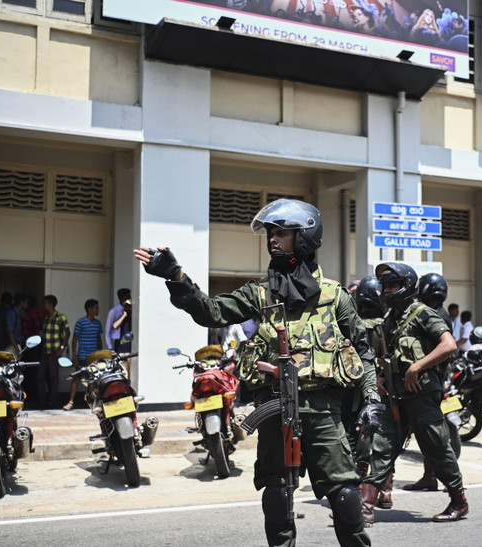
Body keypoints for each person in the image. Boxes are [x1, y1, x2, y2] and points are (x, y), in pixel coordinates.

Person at [134, 198, 381, 547]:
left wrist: (371, 397)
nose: (273, 240)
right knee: (276, 495)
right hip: (274, 408)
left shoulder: (334, 296)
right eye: (270, 234)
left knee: (344, 494)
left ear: (304, 238)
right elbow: (211, 312)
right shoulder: (260, 294)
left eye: (281, 233)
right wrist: (176, 278)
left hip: (323, 410)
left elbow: (363, 350)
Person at [361, 262, 467, 524]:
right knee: (383, 446)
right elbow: (388, 355)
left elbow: (449, 345)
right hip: (395, 395)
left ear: (407, 285)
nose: (388, 290)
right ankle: (365, 507)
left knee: (436, 447)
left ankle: (459, 501)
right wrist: (381, 377)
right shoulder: (390, 319)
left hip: (421, 393)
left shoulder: (423, 313)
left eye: (393, 285)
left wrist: (416, 368)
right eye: (385, 286)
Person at [403, 272, 453, 493]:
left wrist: (417, 367)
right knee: (427, 433)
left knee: (433, 434)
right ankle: (430, 477)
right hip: (433, 379)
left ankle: (451, 484)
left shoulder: (433, 316)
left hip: (428, 380)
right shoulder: (439, 312)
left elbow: (446, 347)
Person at [352, 276, 394, 517]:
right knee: (385, 442)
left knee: (363, 438)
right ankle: (386, 492)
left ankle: (361, 490)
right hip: (386, 390)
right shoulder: (388, 324)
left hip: (360, 391)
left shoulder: (355, 324)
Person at [65, 299, 104, 411]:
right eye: (96, 308)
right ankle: (70, 402)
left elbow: (99, 339)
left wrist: (100, 354)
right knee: (77, 378)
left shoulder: (98, 323)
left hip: (94, 357)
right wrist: (74, 355)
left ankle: (96, 402)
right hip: (82, 356)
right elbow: (75, 339)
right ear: (89, 309)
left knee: (96, 379)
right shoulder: (81, 322)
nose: (98, 310)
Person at [39, 295, 70, 409]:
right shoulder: (46, 317)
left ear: (51, 305)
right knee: (40, 376)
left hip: (54, 351)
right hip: (45, 350)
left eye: (45, 303)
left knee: (53, 377)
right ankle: (42, 401)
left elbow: (67, 333)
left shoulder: (61, 317)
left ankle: (53, 401)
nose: (44, 305)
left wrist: (61, 348)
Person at [21, 295, 45, 407]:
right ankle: (40, 398)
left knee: (29, 372)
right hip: (41, 346)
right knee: (39, 371)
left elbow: (25, 333)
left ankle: (30, 396)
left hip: (30, 346)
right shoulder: (42, 314)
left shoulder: (27, 317)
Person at [106, 288, 132, 353]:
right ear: (122, 298)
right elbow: (109, 330)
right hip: (120, 344)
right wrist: (110, 348)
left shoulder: (131, 310)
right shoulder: (114, 311)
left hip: (130, 344)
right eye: (128, 297)